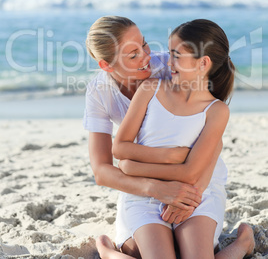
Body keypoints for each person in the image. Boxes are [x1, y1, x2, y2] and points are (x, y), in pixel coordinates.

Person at [97, 19, 255, 259]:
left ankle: (242, 243)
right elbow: (119, 148)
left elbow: (191, 174)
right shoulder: (150, 89)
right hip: (145, 196)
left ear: (203, 63)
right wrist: (171, 156)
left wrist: (133, 167)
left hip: (194, 194)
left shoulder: (216, 111)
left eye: (176, 56)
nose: (167, 62)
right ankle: (108, 252)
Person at [84, 16, 218, 258]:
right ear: (107, 66)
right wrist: (154, 188)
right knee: (137, 251)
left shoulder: (171, 67)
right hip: (144, 176)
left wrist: (191, 192)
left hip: (196, 171)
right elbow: (102, 171)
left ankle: (240, 244)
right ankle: (108, 251)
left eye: (144, 45)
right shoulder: (99, 92)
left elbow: (214, 137)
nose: (146, 56)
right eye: (133, 55)